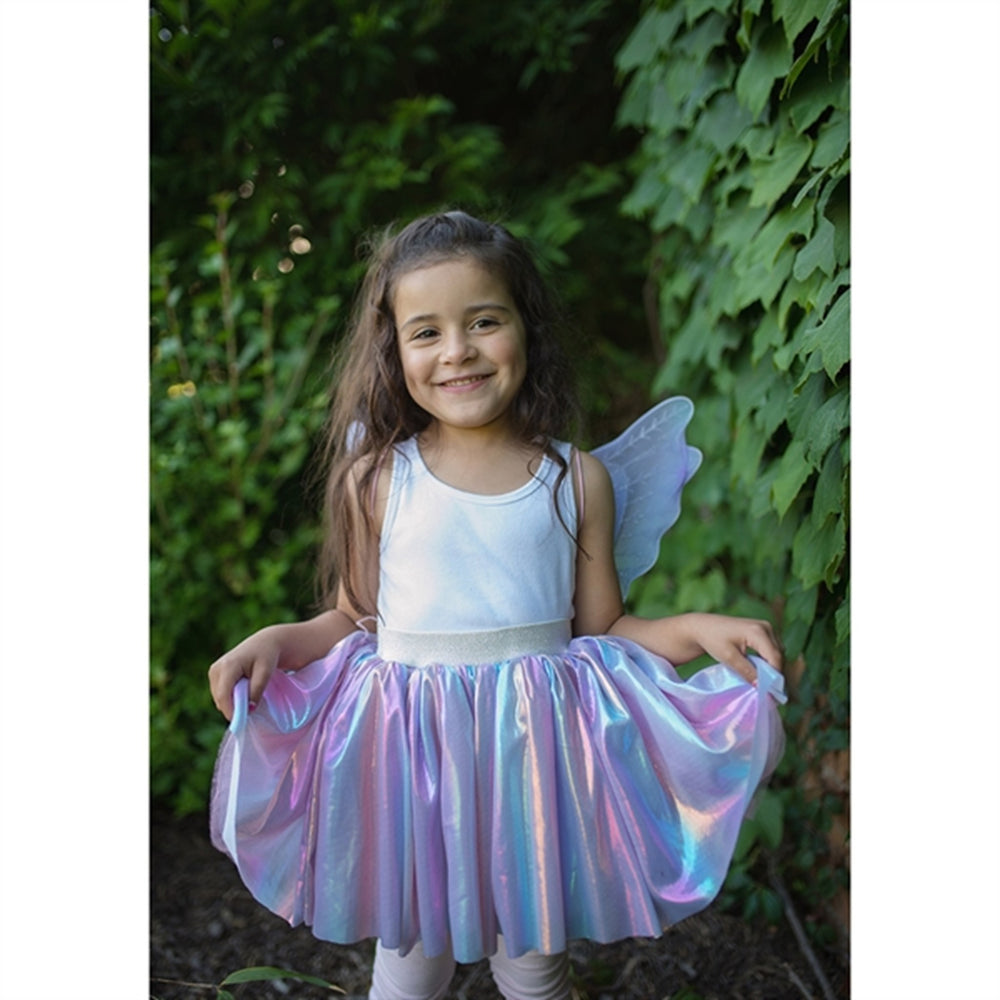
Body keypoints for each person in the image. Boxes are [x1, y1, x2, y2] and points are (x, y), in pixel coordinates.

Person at [208, 210, 786, 1000]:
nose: (458, 350)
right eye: (426, 332)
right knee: (411, 959)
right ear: (393, 351)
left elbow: (605, 629)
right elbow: (352, 616)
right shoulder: (376, 479)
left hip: (531, 761)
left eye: (484, 321)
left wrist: (697, 628)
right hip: (414, 760)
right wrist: (276, 640)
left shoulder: (575, 480)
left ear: (527, 329)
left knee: (533, 962)